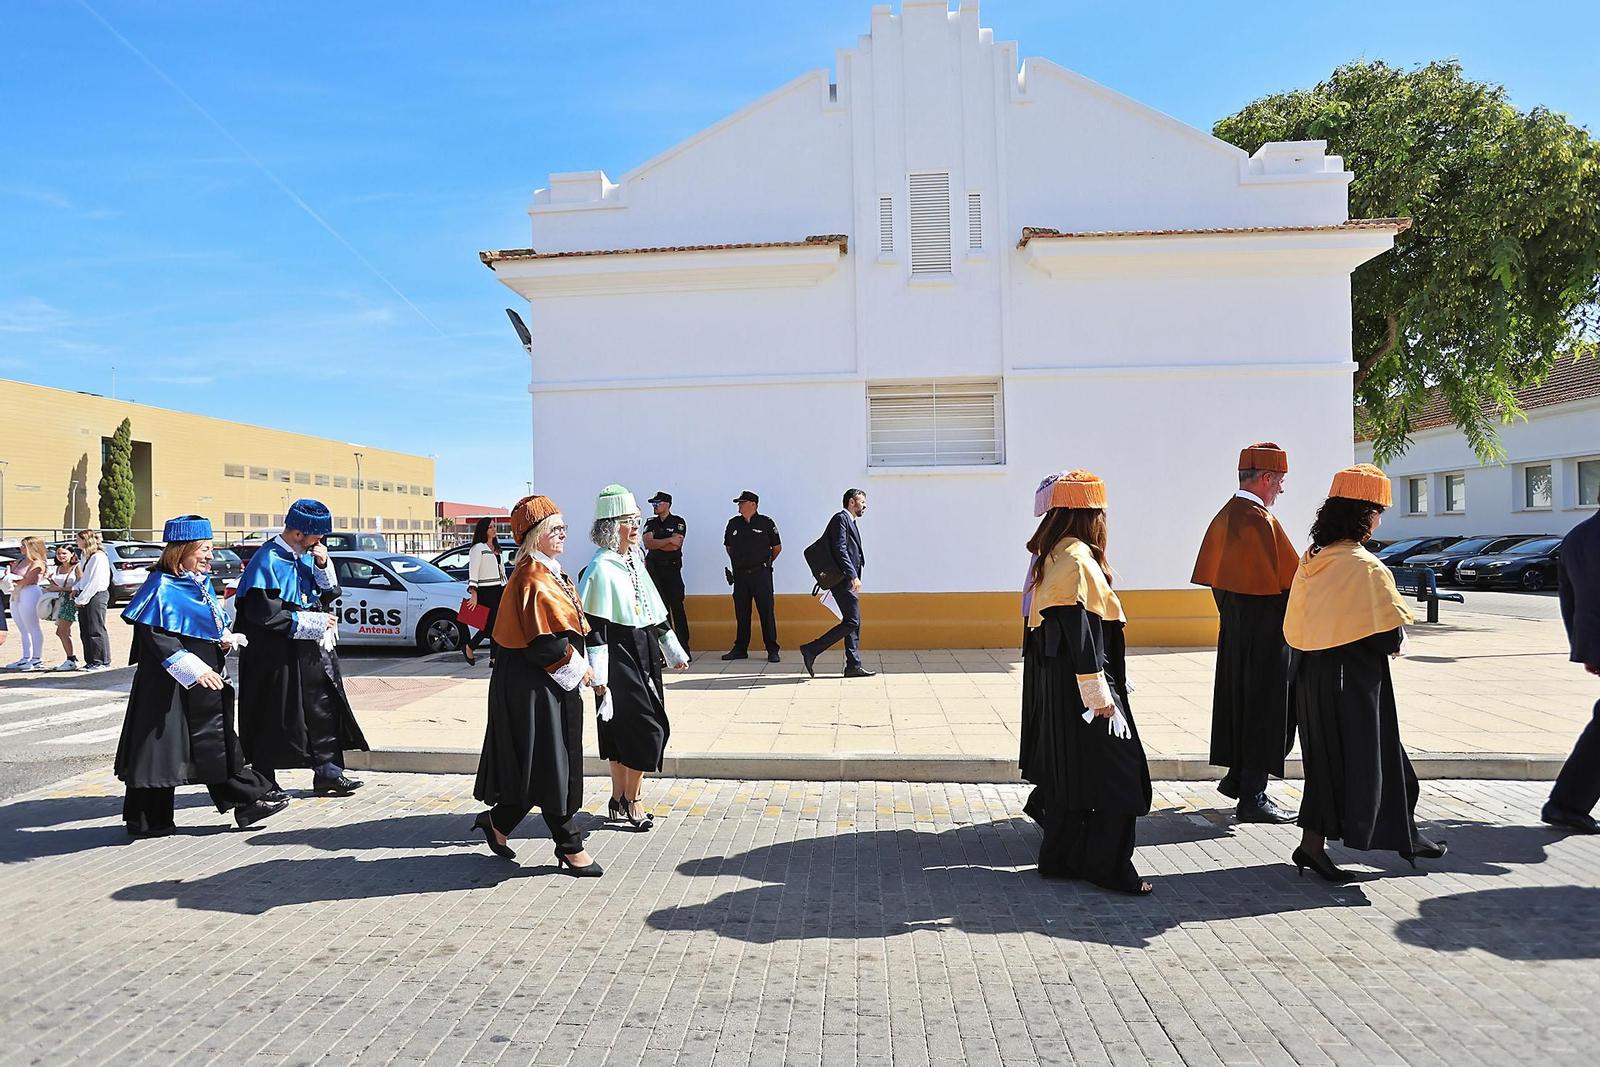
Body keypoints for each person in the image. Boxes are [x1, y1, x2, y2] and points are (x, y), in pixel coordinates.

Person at [1284, 464, 1447, 882]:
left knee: (1329, 763)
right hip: (1352, 681)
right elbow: (1386, 638)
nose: (1379, 520)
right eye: (1377, 511)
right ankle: (1396, 837)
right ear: (1361, 514)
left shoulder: (1313, 558)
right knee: (1367, 761)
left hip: (1311, 677)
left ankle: (1316, 846)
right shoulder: (1365, 566)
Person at [1021, 470, 1154, 895]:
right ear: (1088, 516)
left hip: (1066, 690)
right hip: (1084, 690)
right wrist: (1102, 697)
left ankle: (1061, 859)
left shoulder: (1057, 554)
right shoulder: (1077, 559)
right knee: (1122, 773)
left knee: (1073, 773)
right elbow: (1080, 632)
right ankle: (1108, 867)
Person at [115, 516, 288, 835]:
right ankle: (151, 818)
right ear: (181, 551)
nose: (211, 555)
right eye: (204, 549)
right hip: (168, 684)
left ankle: (247, 800)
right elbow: (157, 637)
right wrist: (195, 669)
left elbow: (205, 623)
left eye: (211, 548)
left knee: (207, 742)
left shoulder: (198, 581)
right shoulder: (161, 585)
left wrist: (223, 639)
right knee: (160, 749)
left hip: (204, 680)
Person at [472, 494, 603, 875]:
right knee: (549, 760)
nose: (563, 534)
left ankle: (497, 823)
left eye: (563, 528)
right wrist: (582, 671)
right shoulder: (532, 575)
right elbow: (544, 642)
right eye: (555, 529)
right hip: (532, 685)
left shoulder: (549, 570)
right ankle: (569, 843)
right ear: (535, 535)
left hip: (544, 682)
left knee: (538, 761)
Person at [1190, 442, 1300, 823]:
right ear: (1266, 478)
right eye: (1280, 481)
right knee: (1266, 712)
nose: (1281, 489)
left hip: (1234, 631)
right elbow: (1290, 587)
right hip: (1268, 637)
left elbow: (1218, 583)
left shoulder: (1224, 516)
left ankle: (1239, 779)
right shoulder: (1261, 520)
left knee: (1239, 706)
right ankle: (1252, 796)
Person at [235, 498, 369, 796]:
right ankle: (264, 781)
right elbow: (264, 615)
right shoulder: (267, 560)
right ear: (298, 533)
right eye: (317, 536)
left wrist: (323, 565)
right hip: (274, 657)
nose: (320, 541)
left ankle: (328, 773)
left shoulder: (307, 555)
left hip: (311, 652)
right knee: (272, 715)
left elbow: (329, 592)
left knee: (323, 708)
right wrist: (316, 623)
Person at [579, 485, 690, 832]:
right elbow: (593, 626)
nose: (637, 528)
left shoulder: (634, 561)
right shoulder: (599, 567)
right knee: (631, 727)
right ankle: (630, 798)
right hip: (617, 656)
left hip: (643, 650)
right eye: (631, 521)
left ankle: (621, 797)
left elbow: (653, 612)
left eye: (638, 521)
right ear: (614, 526)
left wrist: (672, 650)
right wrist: (599, 675)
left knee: (640, 726)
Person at [1543, 509, 1600, 833]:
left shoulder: (1578, 534)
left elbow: (1570, 598)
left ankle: (1568, 803)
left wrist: (1584, 648)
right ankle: (1567, 803)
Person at [800, 488, 874, 679]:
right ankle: (811, 649)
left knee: (852, 621)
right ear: (851, 501)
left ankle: (853, 665)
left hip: (846, 579)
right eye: (862, 501)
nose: (864, 505)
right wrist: (852, 576)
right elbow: (840, 549)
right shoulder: (840, 519)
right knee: (852, 621)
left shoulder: (850, 521)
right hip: (842, 579)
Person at [722, 491, 782, 663]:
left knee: (766, 612)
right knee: (742, 613)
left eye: (742, 502)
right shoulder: (733, 524)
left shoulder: (765, 523)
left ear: (753, 504)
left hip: (761, 575)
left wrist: (764, 562)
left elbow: (777, 547)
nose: (739, 505)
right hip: (740, 576)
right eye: (739, 503)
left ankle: (772, 649)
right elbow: (728, 547)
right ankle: (740, 648)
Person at [643, 491, 690, 657]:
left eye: (658, 503)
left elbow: (675, 546)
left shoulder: (678, 522)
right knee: (661, 611)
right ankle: (667, 652)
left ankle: (684, 648)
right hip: (655, 570)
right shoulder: (650, 522)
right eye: (653, 504)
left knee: (677, 609)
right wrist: (668, 540)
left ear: (667, 505)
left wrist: (660, 543)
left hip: (672, 569)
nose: (654, 507)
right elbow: (648, 543)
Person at [463, 517, 504, 667]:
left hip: (499, 588)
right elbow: (473, 571)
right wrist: (473, 593)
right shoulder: (478, 548)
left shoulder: (496, 547)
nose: (494, 529)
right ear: (483, 530)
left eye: (494, 526)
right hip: (485, 590)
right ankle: (471, 646)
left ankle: (493, 658)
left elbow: (501, 570)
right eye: (490, 527)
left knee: (497, 624)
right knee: (491, 625)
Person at [72, 529, 112, 671]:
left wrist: (82, 599)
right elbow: (85, 578)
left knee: (96, 628)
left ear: (86, 540)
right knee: (85, 629)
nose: (76, 541)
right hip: (86, 593)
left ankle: (101, 661)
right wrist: (76, 588)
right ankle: (90, 660)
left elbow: (95, 581)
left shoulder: (98, 557)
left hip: (96, 595)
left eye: (78, 539)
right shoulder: (85, 555)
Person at [3, 537, 46, 671]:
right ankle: (26, 656)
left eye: (23, 546)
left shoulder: (37, 562)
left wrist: (11, 580)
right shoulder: (21, 561)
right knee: (22, 628)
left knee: (32, 626)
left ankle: (36, 659)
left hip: (29, 592)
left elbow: (28, 580)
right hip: (17, 593)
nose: (20, 548)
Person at [44, 542, 81, 671]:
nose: (61, 556)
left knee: (61, 631)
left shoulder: (77, 567)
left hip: (71, 600)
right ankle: (70, 658)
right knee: (65, 632)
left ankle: (71, 659)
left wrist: (58, 588)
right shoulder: (58, 568)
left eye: (64, 553)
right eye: (59, 553)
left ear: (72, 554)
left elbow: (78, 585)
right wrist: (49, 580)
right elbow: (56, 586)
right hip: (60, 600)